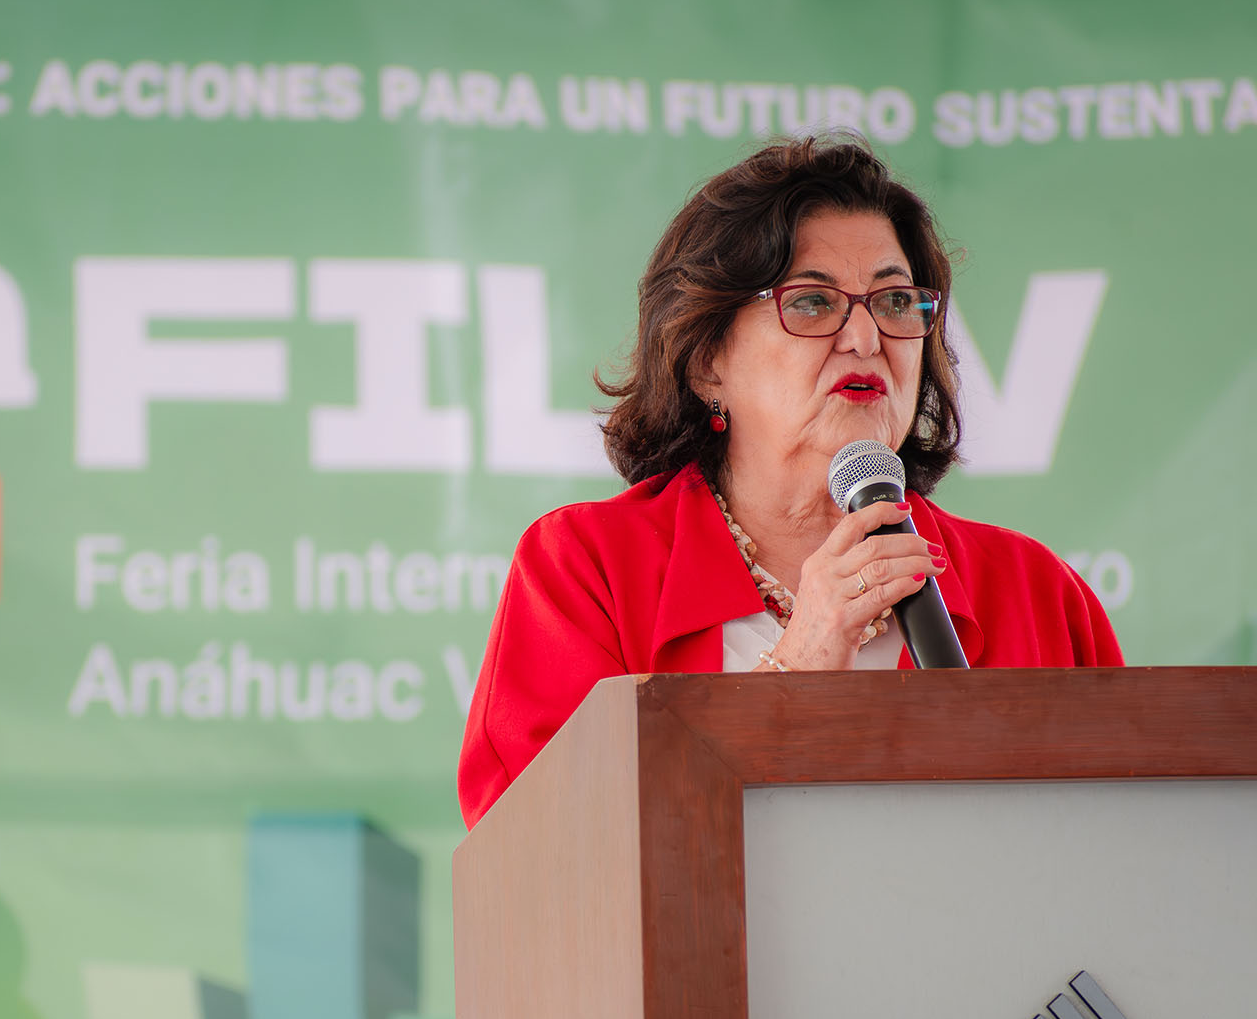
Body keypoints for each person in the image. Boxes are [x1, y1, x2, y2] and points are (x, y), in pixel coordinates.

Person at [457, 135, 1123, 829]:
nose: (866, 338)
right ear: (707, 360)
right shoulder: (587, 569)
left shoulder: (1034, 592)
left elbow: (1121, 840)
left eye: (896, 301)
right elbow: (541, 848)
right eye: (812, 302)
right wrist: (798, 666)